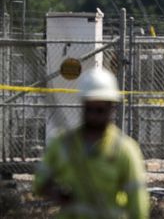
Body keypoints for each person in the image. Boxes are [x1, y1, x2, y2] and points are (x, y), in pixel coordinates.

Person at [34, 68, 149, 219]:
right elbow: (40, 183)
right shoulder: (63, 144)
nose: (94, 115)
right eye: (89, 109)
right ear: (83, 106)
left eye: (100, 110)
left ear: (111, 108)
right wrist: (57, 194)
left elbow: (138, 204)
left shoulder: (125, 149)